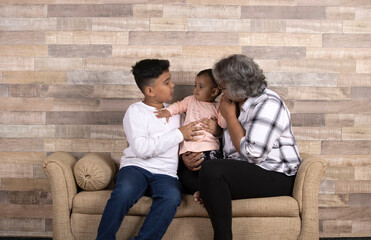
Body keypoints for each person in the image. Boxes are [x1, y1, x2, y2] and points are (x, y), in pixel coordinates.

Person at [182, 54, 302, 240]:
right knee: (182, 170)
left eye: (222, 87)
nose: (220, 92)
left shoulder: (268, 104)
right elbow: (229, 148)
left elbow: (254, 154)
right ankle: (210, 189)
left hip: (274, 174)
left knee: (212, 170)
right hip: (243, 169)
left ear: (236, 87)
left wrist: (229, 116)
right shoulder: (234, 102)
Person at [96, 59, 202, 240]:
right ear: (150, 91)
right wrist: (178, 134)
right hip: (136, 168)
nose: (173, 85)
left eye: (171, 80)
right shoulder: (136, 111)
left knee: (171, 198)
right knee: (124, 191)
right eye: (166, 82)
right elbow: (142, 149)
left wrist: (186, 155)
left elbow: (189, 139)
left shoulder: (177, 113)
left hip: (166, 173)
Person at [155, 69, 227, 195]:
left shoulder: (218, 107)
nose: (196, 89)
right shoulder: (191, 100)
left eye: (201, 86)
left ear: (214, 91)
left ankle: (209, 192)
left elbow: (224, 125)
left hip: (210, 149)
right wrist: (169, 111)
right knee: (187, 177)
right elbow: (179, 106)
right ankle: (202, 192)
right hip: (189, 150)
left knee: (213, 173)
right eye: (195, 85)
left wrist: (217, 129)